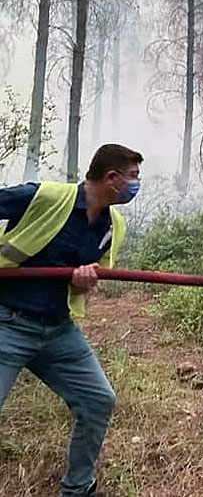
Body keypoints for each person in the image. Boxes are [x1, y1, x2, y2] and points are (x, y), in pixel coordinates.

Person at [0, 144, 142, 497]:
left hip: (58, 332)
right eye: (133, 177)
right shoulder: (46, 197)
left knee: (98, 400)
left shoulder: (114, 225)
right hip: (7, 324)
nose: (136, 186)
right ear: (112, 178)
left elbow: (93, 281)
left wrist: (83, 282)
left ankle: (77, 489)